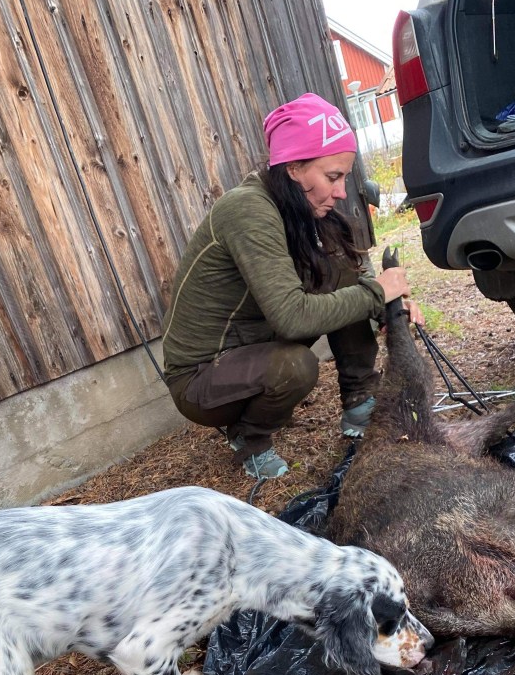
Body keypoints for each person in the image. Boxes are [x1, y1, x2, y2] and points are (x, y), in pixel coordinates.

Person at [162, 92, 422, 479]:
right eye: (332, 177)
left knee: (338, 270)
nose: (341, 191)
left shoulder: (299, 207)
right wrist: (375, 294)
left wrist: (388, 305)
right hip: (200, 378)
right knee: (296, 367)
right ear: (295, 167)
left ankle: (360, 397)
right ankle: (249, 439)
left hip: (255, 343)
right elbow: (292, 319)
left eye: (344, 177)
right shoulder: (247, 209)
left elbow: (350, 275)